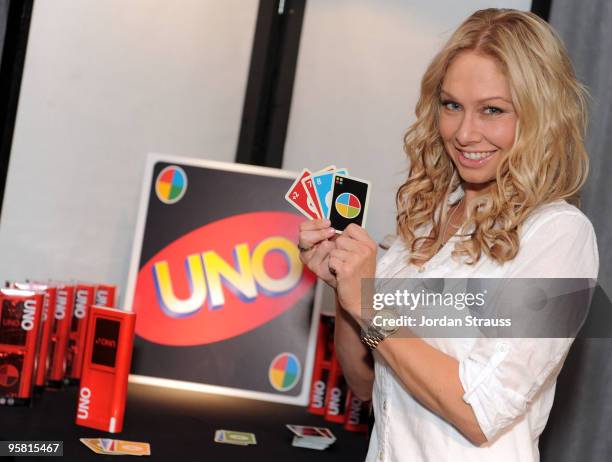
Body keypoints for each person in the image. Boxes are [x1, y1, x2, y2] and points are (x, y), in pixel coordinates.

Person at [298, 8, 599, 462]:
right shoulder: (428, 217)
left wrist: (368, 302)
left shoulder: (560, 236)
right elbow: (363, 385)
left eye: (492, 110)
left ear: (541, 118)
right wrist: (345, 288)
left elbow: (480, 413)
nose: (464, 132)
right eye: (451, 105)